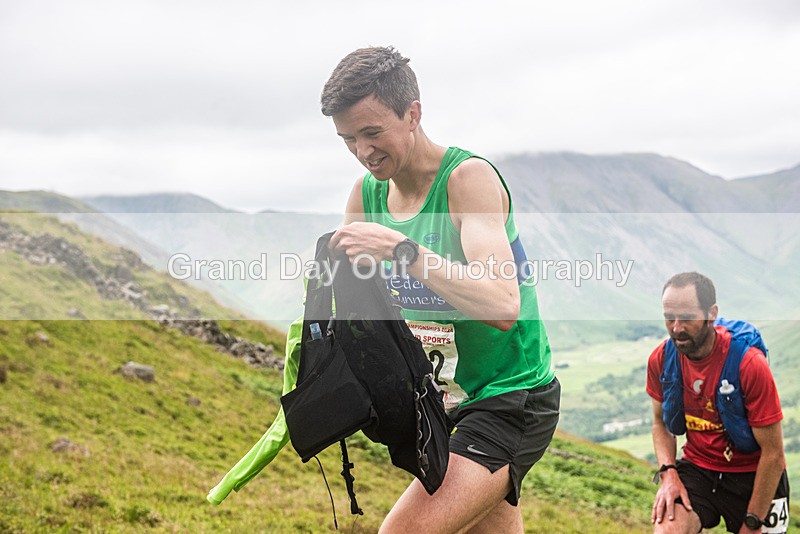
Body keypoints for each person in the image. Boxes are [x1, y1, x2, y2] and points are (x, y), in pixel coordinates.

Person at [322, 46, 560, 533]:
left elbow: (502, 304)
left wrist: (401, 250)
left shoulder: (467, 180)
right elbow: (355, 307)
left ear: (413, 114)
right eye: (348, 139)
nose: (363, 151)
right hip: (440, 402)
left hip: (509, 396)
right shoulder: (366, 194)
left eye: (372, 133)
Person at [647, 272, 789, 533]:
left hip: (756, 475)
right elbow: (661, 424)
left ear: (711, 314)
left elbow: (773, 454)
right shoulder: (661, 359)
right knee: (667, 528)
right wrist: (669, 474)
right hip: (699, 468)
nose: (676, 328)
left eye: (686, 317)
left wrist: (753, 521)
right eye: (669, 317)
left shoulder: (749, 364)